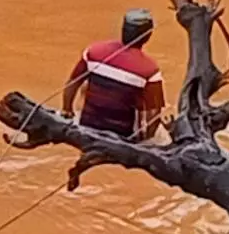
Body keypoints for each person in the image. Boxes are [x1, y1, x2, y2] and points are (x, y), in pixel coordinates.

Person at [67, 8, 163, 140]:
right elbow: (153, 114)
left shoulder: (93, 51)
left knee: (86, 86)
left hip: (87, 125)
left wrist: (67, 110)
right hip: (125, 135)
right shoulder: (150, 70)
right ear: (148, 36)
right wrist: (147, 139)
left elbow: (73, 82)